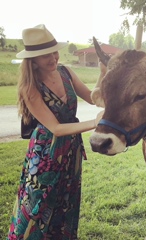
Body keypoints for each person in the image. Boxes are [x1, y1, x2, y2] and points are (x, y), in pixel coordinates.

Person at [7, 24, 104, 240]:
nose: (53, 58)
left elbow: (93, 97)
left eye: (54, 52)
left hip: (71, 151)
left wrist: (103, 74)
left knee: (66, 201)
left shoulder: (66, 72)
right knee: (38, 203)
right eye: (45, 56)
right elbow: (56, 128)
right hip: (45, 152)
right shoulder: (29, 87)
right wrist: (94, 123)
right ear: (33, 60)